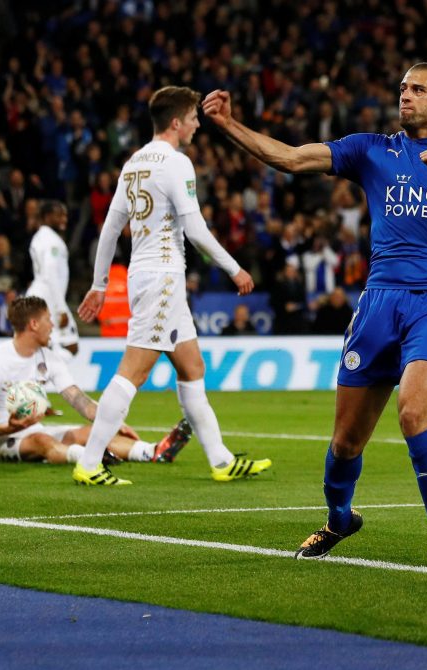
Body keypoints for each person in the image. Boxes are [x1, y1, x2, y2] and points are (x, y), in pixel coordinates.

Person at [203, 62, 427, 569]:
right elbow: (294, 159)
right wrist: (230, 125)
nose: (405, 95)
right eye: (403, 87)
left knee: (413, 412)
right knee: (345, 442)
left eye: (418, 89)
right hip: (378, 302)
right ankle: (339, 519)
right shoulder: (371, 149)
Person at [76, 86, 271, 486]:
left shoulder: (133, 163)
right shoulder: (176, 162)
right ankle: (90, 461)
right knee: (133, 371)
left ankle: (220, 460)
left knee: (191, 366)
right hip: (163, 276)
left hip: (146, 275)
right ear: (176, 122)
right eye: (194, 118)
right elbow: (195, 229)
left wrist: (99, 284)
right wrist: (234, 268)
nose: (199, 124)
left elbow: (111, 229)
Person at [0, 296, 191, 466]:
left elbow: (78, 400)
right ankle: (89, 459)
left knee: (95, 433)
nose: (53, 326)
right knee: (42, 441)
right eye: (48, 320)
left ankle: (153, 452)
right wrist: (7, 427)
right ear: (34, 324)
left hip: (33, 430)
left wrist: (110, 420)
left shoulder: (49, 357)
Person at [26, 200, 79, 359]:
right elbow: (50, 273)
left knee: (65, 346)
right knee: (67, 347)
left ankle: (43, 377)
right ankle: (38, 378)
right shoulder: (51, 241)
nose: (64, 219)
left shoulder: (42, 237)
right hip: (47, 299)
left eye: (65, 215)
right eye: (59, 215)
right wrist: (61, 308)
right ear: (47, 217)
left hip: (45, 298)